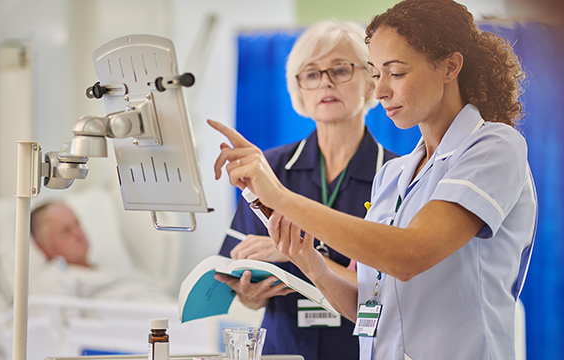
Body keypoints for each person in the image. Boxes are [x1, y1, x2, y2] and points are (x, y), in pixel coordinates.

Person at [209, 0, 537, 359]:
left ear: (450, 66)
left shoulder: (494, 146)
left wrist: (281, 197)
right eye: (376, 74)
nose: (380, 91)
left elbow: (410, 254)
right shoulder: (393, 175)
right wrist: (307, 260)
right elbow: (367, 307)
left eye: (395, 73)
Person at [214, 20, 397, 360]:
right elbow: (237, 272)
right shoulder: (268, 170)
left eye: (340, 70)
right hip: (284, 351)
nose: (325, 82)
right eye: (311, 74)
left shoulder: (396, 175)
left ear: (372, 80)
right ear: (299, 89)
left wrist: (293, 251)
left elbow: (389, 292)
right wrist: (249, 294)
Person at [29, 201, 170, 302]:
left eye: (77, 224)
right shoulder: (55, 278)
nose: (78, 233)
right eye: (66, 231)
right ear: (43, 246)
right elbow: (60, 332)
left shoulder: (111, 269)